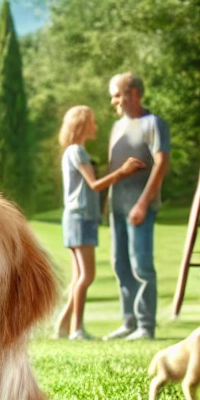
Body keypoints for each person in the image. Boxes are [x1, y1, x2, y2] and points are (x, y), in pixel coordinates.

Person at [53, 106, 146, 340]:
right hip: (80, 218)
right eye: (92, 122)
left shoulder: (72, 152)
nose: (95, 126)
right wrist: (123, 172)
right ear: (82, 124)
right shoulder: (78, 152)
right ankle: (77, 330)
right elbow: (94, 185)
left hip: (76, 218)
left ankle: (63, 327)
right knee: (87, 276)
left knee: (78, 278)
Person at [103, 72, 170, 341]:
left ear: (134, 93)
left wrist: (142, 203)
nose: (113, 101)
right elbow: (114, 168)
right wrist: (108, 203)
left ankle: (145, 326)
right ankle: (128, 322)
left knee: (141, 265)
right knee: (120, 264)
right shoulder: (117, 127)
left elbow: (162, 163)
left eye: (117, 94)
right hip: (118, 208)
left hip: (140, 208)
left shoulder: (153, 123)